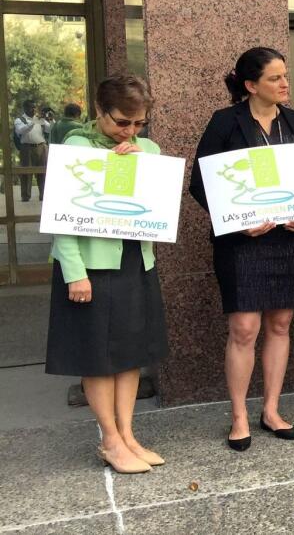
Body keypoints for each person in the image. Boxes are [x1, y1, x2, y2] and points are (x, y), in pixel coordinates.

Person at [190, 47, 294, 450]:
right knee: (244, 328)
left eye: (285, 76)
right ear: (250, 85)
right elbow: (201, 183)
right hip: (243, 243)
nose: (284, 83)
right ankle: (239, 415)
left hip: (289, 239)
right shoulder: (226, 122)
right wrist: (238, 222)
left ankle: (271, 410)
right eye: (275, 78)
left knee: (280, 325)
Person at [45, 75, 167, 474]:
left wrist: (139, 161)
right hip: (90, 264)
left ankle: (129, 435)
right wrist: (73, 273)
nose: (130, 131)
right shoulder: (76, 148)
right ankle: (110, 440)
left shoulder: (146, 147)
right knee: (97, 355)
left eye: (138, 123)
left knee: (130, 351)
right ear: (99, 111)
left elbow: (156, 200)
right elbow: (63, 219)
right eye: (121, 122)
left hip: (135, 258)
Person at [14, 99, 51, 201]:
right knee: (26, 172)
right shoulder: (19, 120)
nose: (34, 109)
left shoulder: (39, 119)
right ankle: (25, 196)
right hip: (27, 148)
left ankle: (44, 195)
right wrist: (33, 122)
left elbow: (49, 129)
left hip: (41, 147)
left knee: (43, 172)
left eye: (35, 107)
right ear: (25, 108)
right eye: (31, 107)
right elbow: (21, 130)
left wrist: (50, 119)